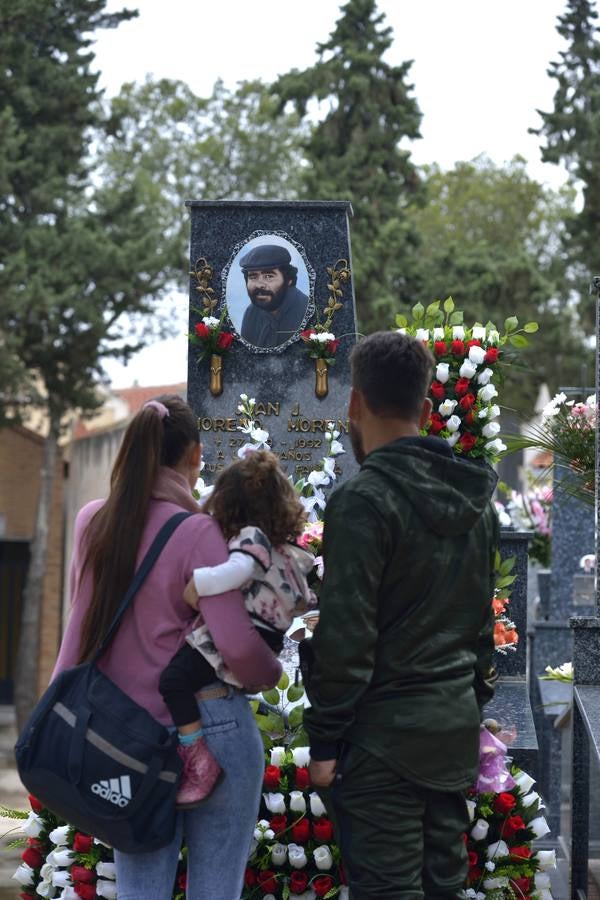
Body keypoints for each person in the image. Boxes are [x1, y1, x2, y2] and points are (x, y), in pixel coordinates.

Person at [52, 395, 281, 900]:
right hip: (210, 727)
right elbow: (236, 647)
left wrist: (59, 721)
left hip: (123, 739)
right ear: (195, 454)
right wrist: (272, 674)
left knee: (139, 890)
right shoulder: (197, 531)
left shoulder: (92, 522)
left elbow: (77, 630)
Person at [302, 332, 499, 899]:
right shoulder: (476, 507)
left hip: (381, 745)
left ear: (355, 404)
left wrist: (324, 743)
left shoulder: (364, 501)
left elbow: (346, 639)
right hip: (450, 736)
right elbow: (480, 636)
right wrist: (462, 711)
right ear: (426, 408)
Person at [159, 448, 317, 807]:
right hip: (268, 640)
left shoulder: (251, 537)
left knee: (172, 680)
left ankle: (197, 756)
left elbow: (238, 571)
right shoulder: (287, 551)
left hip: (246, 636)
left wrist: (199, 583)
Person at [238, 244, 310, 349]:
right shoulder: (251, 312)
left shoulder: (305, 310)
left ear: (288, 279)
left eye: (268, 276)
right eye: (253, 276)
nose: (259, 284)